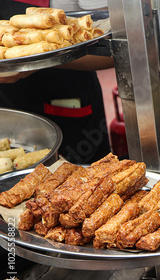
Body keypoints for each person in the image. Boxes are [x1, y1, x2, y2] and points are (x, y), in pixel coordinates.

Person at [0, 0, 114, 164]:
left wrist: (37, 59)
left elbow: (112, 49)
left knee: (86, 180)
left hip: (67, 106)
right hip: (7, 110)